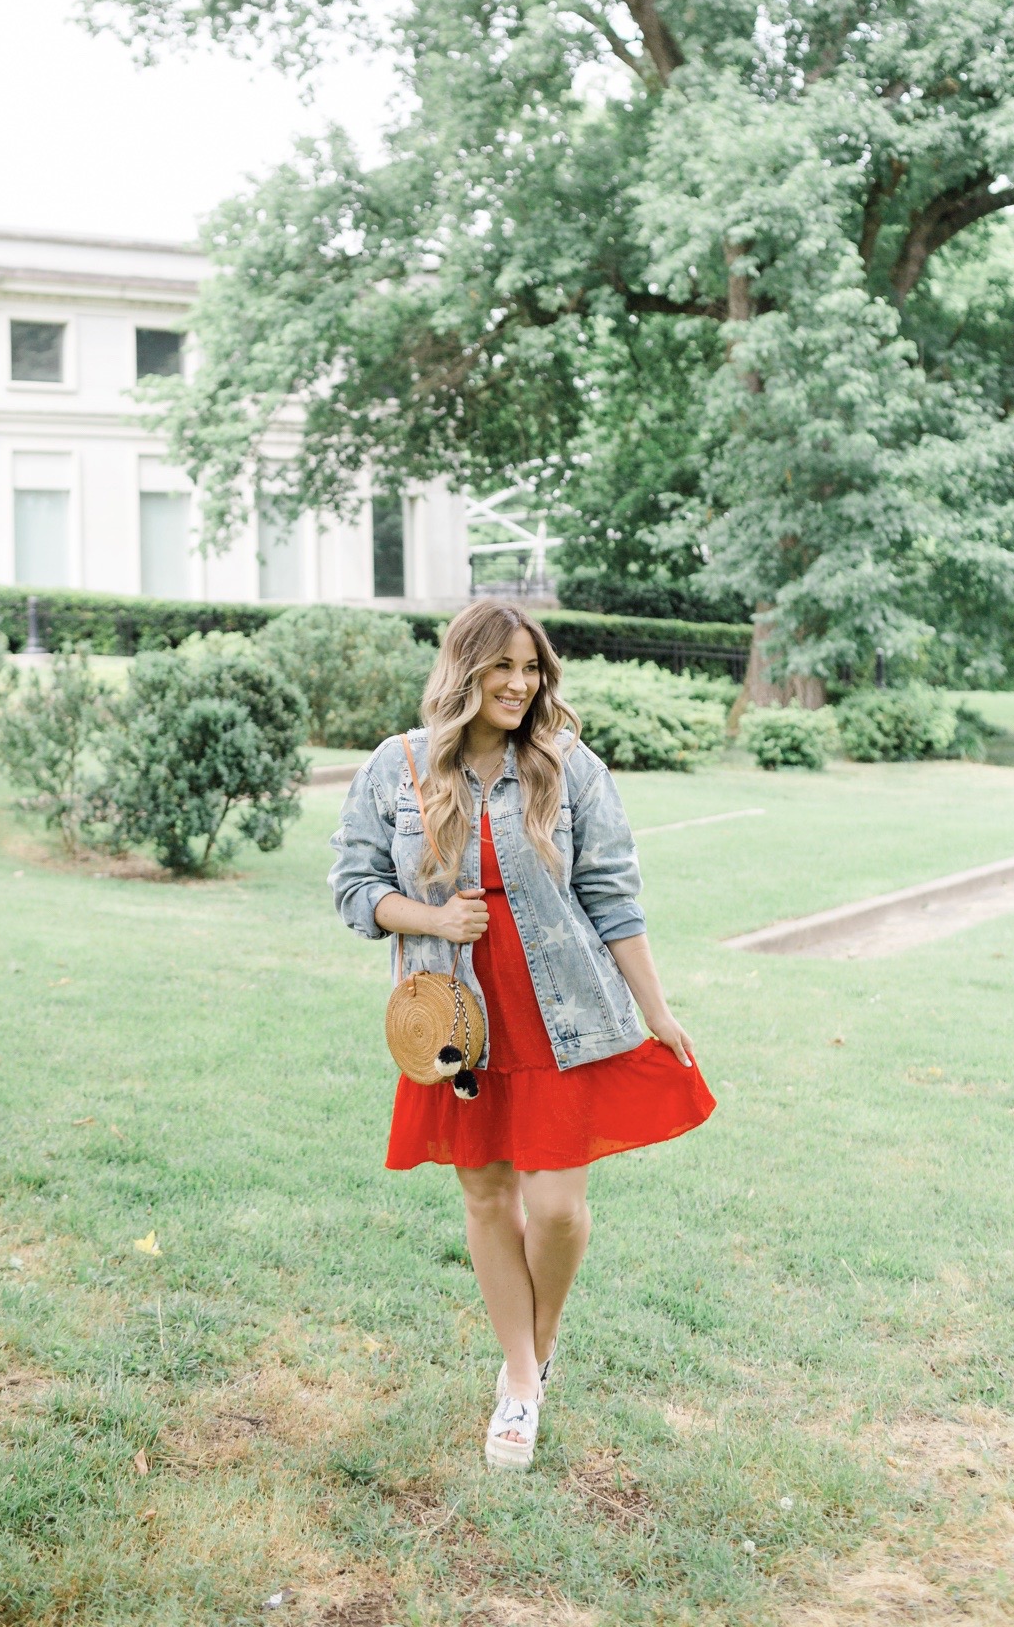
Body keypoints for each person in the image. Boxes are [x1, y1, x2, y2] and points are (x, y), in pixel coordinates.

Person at [329, 600, 715, 1471]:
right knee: (485, 1199)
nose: (518, 684)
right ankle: (518, 1383)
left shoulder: (566, 767)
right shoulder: (396, 769)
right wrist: (429, 914)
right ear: (463, 671)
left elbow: (613, 896)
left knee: (556, 1209)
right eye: (501, 667)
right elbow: (352, 889)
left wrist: (656, 1009)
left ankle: (537, 1344)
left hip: (562, 1010)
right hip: (461, 1019)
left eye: (531, 668)